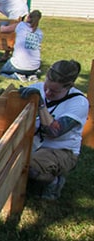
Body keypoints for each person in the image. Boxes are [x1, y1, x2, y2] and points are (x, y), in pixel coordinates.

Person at [19, 60, 88, 200]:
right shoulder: (37, 88)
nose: (48, 93)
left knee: (27, 165)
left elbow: (54, 132)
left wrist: (41, 106)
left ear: (69, 86)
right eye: (46, 88)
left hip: (61, 150)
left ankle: (53, 182)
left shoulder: (79, 102)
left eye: (55, 92)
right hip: (33, 143)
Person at [0, 10, 43, 81]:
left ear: (28, 17)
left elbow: (3, 30)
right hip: (35, 66)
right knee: (27, 67)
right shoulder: (40, 32)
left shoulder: (21, 25)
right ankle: (31, 75)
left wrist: (2, 24)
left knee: (3, 72)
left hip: (19, 65)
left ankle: (17, 76)